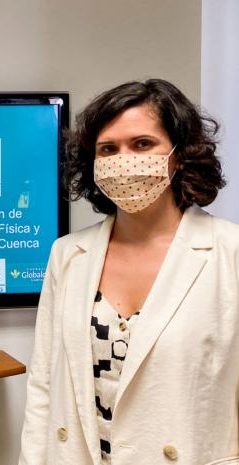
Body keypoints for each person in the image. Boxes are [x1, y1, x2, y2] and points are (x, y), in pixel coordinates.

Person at [19, 79, 239, 465]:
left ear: (180, 154)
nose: (124, 160)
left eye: (142, 144)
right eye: (108, 149)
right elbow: (43, 387)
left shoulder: (229, 252)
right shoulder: (68, 255)